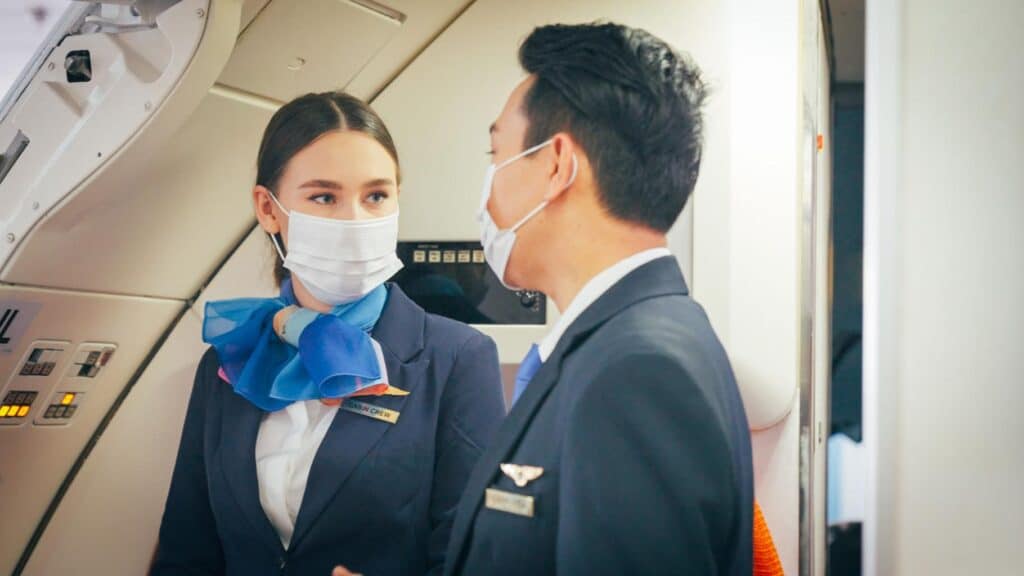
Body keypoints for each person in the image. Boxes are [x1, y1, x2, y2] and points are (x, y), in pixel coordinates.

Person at [443, 22, 754, 576]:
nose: (489, 187)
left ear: (557, 164)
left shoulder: (637, 371)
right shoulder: (643, 335)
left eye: (497, 153)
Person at [152, 92, 506, 576]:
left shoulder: (456, 359)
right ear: (268, 209)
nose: (355, 220)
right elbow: (186, 550)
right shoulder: (227, 364)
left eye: (376, 196)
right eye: (324, 197)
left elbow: (476, 558)